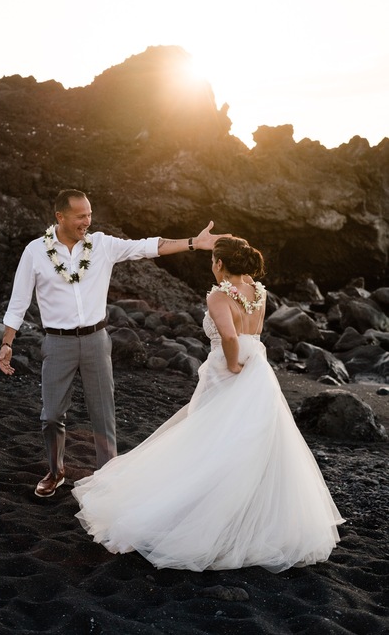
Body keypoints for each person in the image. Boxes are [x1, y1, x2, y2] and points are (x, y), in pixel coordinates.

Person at [72, 236, 345, 573]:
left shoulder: (219, 295)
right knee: (251, 442)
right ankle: (247, 520)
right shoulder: (258, 292)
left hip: (230, 368)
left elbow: (229, 337)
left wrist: (231, 364)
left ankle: (194, 514)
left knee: (206, 437)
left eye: (212, 262)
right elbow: (250, 334)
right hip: (257, 367)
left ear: (219, 263)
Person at [0, 188, 227, 498]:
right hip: (57, 343)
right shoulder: (35, 252)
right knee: (51, 415)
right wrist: (7, 342)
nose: (87, 221)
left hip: (96, 340)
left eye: (90, 214)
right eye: (80, 216)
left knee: (103, 414)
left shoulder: (102, 245)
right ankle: (55, 471)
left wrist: (192, 243)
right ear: (60, 217)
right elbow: (19, 299)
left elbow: (147, 247)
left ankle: (108, 479)